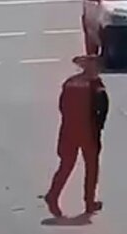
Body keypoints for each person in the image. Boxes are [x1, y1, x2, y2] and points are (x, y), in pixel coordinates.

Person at [44, 56, 109, 217]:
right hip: (88, 131)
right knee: (91, 166)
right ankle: (89, 202)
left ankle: (53, 195)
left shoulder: (70, 82)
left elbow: (62, 106)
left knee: (66, 165)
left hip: (68, 130)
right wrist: (98, 128)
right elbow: (102, 109)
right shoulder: (96, 85)